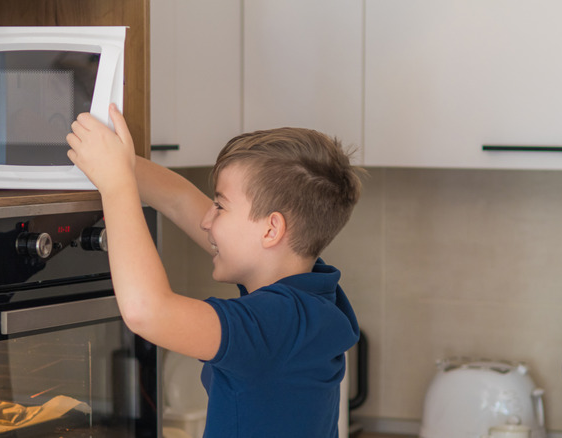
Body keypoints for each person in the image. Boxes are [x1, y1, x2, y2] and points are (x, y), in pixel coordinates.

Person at [66, 104, 362, 437]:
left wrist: (116, 186)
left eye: (220, 206)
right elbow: (179, 200)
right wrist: (117, 161)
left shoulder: (278, 320)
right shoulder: (310, 295)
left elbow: (146, 312)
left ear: (271, 230)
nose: (207, 220)